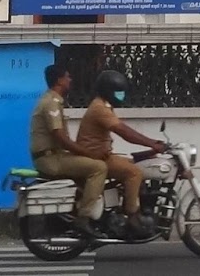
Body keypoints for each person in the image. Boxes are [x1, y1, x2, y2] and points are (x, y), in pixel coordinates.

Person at [76, 67, 166, 239]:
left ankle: (129, 206)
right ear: (108, 92)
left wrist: (148, 150)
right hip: (97, 157)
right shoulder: (100, 108)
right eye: (118, 93)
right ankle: (132, 216)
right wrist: (152, 143)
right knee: (134, 173)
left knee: (135, 164)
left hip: (102, 154)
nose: (121, 96)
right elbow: (124, 132)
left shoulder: (103, 106)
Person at [30, 64, 107, 232]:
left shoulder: (53, 101)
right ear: (59, 80)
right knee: (99, 168)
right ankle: (84, 217)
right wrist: (89, 153)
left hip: (53, 156)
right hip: (51, 160)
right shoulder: (51, 102)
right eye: (68, 77)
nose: (70, 80)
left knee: (88, 167)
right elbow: (60, 137)